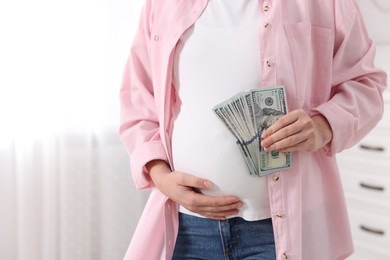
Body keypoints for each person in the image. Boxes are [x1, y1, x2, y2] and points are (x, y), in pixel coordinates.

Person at [119, 0, 387, 259]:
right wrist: (161, 176)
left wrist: (323, 125)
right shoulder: (162, 4)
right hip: (188, 228)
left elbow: (366, 84)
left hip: (281, 232)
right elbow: (139, 100)